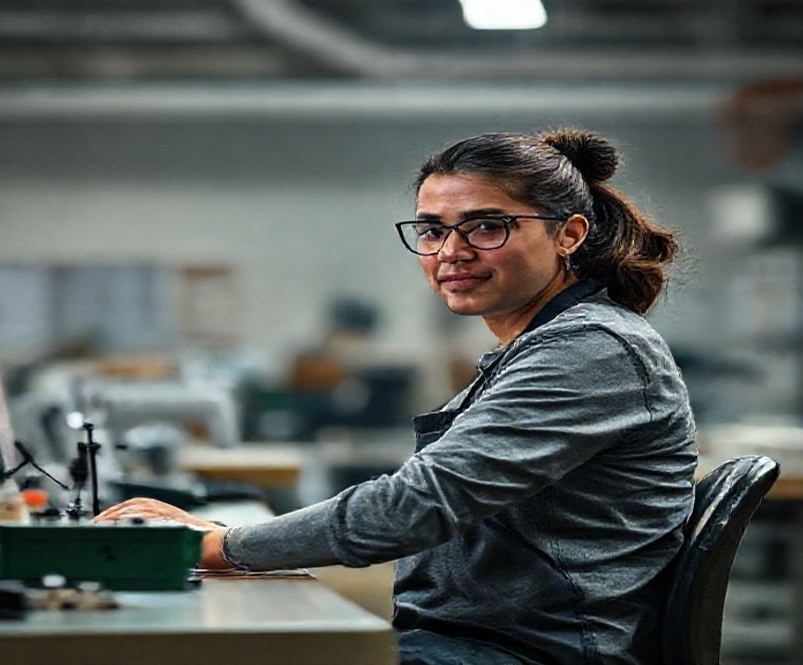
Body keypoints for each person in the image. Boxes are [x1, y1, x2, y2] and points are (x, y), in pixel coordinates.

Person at [97, 128, 697, 665]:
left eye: (487, 226)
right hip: (484, 637)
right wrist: (226, 541)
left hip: (529, 648)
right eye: (433, 230)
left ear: (568, 234)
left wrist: (215, 545)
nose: (451, 251)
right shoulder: (540, 346)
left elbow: (416, 507)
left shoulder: (590, 348)